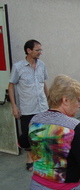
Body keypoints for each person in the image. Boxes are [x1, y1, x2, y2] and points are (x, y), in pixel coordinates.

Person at [28, 75, 80, 190]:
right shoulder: (73, 126)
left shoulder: (34, 120)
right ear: (65, 100)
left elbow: (23, 142)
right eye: (79, 100)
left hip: (36, 185)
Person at [8, 39, 49, 171]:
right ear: (28, 50)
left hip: (42, 106)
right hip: (27, 107)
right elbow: (11, 86)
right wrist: (14, 106)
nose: (40, 53)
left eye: (40, 50)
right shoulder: (18, 67)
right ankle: (29, 157)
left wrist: (49, 99)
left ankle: (40, 156)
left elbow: (44, 83)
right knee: (27, 134)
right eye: (37, 50)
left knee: (42, 133)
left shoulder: (42, 65)